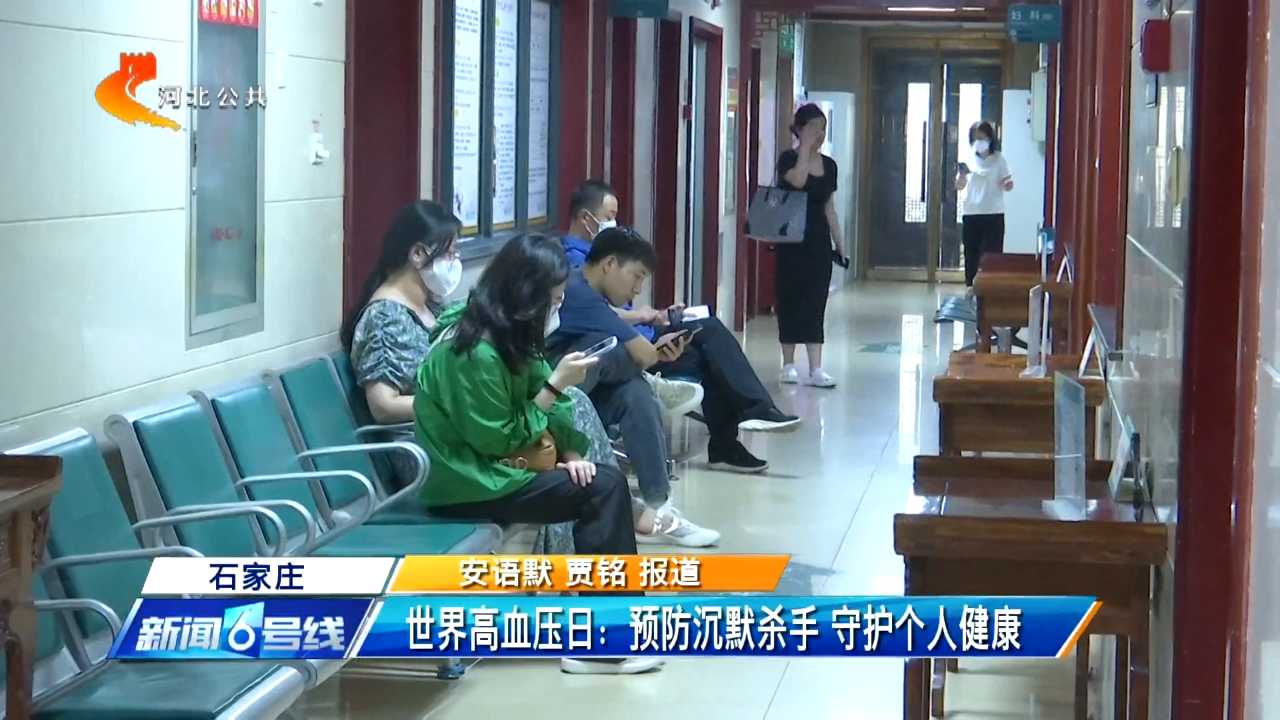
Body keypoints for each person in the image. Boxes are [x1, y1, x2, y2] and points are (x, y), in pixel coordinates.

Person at [416, 234, 662, 675]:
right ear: (525, 295)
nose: (557, 309)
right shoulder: (470, 350)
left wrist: (571, 451)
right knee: (603, 490)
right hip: (467, 482)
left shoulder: (510, 335)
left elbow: (556, 406)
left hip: (497, 472)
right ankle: (605, 646)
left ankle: (617, 628)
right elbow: (498, 439)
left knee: (600, 480)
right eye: (553, 300)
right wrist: (555, 385)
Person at [340, 201, 617, 554]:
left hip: (470, 431)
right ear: (418, 254)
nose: (456, 261)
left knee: (567, 409)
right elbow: (382, 406)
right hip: (427, 449)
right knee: (560, 421)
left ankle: (585, 513)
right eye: (450, 253)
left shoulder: (433, 306)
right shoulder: (385, 318)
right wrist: (453, 404)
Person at [563, 179, 801, 434]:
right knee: (709, 346)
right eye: (609, 217)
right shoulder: (576, 262)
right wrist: (643, 317)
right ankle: (751, 416)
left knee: (708, 341)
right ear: (585, 218)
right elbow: (600, 313)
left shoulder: (603, 251)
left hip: (642, 336)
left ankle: (738, 428)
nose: (614, 224)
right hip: (627, 346)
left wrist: (656, 316)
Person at [562, 180, 705, 418]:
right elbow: (640, 351)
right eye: (609, 217)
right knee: (610, 351)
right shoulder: (577, 278)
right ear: (609, 264)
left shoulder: (592, 274)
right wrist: (649, 333)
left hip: (631, 344)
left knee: (634, 389)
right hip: (561, 383)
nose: (638, 289)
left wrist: (653, 346)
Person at [776, 103, 844, 389]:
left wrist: (840, 242)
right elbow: (798, 181)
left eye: (823, 128)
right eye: (814, 127)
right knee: (790, 298)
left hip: (818, 242)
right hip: (790, 242)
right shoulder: (787, 159)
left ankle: (816, 367)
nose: (820, 134)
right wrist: (803, 148)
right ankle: (788, 364)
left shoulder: (830, 165)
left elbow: (830, 207)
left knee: (816, 301)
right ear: (800, 128)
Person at [955, 120, 1014, 288]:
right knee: (971, 254)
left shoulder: (999, 159)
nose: (978, 142)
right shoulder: (967, 158)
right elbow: (959, 186)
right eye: (975, 138)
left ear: (990, 138)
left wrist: (1007, 185)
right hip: (971, 213)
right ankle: (971, 288)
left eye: (981, 138)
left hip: (993, 213)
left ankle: (990, 289)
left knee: (992, 255)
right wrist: (962, 176)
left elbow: (1007, 182)